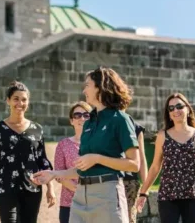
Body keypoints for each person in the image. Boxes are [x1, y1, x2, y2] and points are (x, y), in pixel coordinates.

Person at [33, 66, 140, 223]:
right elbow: (83, 166)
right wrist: (55, 174)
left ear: (100, 87)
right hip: (80, 196)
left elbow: (134, 164)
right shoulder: (89, 123)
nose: (84, 90)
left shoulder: (120, 119)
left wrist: (97, 158)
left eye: (88, 85)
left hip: (107, 194)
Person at [135, 93, 195, 223]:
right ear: (169, 114)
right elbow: (155, 166)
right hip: (168, 195)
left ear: (187, 109)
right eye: (171, 108)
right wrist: (143, 192)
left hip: (194, 194)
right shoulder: (162, 136)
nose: (175, 110)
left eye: (179, 106)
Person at [0, 81, 57, 223]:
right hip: (5, 189)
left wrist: (50, 188)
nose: (20, 103)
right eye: (16, 99)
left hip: (32, 188)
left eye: (24, 99)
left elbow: (42, 160)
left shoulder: (37, 129)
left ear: (28, 102)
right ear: (8, 101)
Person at [53, 101, 93, 223]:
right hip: (69, 203)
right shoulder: (63, 145)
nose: (82, 118)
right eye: (77, 115)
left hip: (95, 203)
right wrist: (77, 190)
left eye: (86, 115)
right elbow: (58, 173)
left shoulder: (98, 144)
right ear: (71, 121)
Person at [122, 116, 148, 223]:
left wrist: (145, 191)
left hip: (129, 183)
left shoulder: (135, 126)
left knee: (129, 220)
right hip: (107, 181)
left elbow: (142, 158)